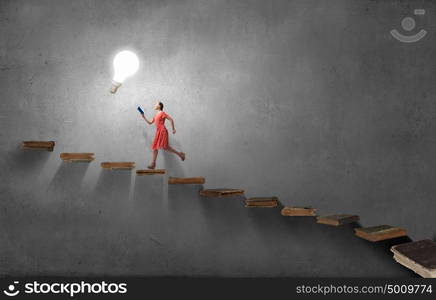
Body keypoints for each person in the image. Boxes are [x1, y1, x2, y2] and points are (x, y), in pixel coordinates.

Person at [141, 101, 185, 169]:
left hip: (163, 131)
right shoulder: (155, 115)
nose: (155, 105)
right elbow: (150, 122)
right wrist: (143, 117)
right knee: (155, 147)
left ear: (159, 106)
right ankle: (153, 164)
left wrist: (173, 129)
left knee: (165, 147)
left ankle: (180, 154)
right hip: (158, 132)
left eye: (156, 104)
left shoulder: (162, 113)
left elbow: (171, 119)